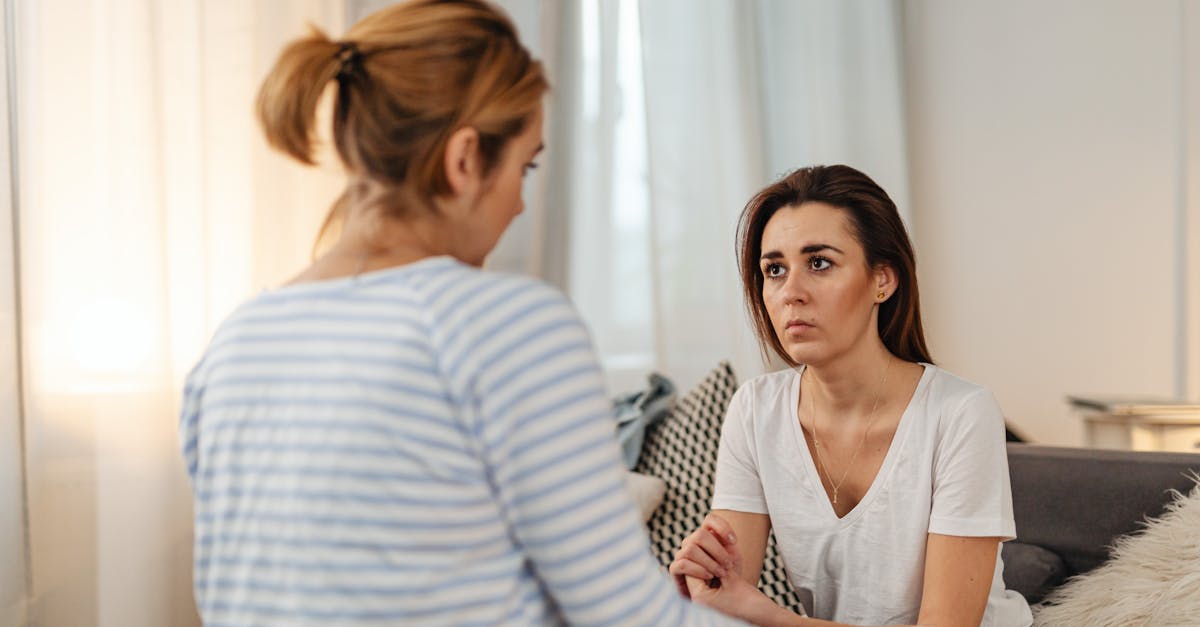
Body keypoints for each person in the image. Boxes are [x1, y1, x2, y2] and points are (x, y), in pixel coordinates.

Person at [178, 1, 744, 624]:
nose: (520, 207)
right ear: (466, 159)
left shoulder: (232, 344)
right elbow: (630, 616)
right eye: (524, 168)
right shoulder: (504, 323)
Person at [669, 165, 1033, 626]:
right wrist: (702, 589)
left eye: (819, 263)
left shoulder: (961, 413)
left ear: (883, 279)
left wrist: (765, 614)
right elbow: (728, 601)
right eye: (774, 270)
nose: (790, 293)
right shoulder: (754, 410)